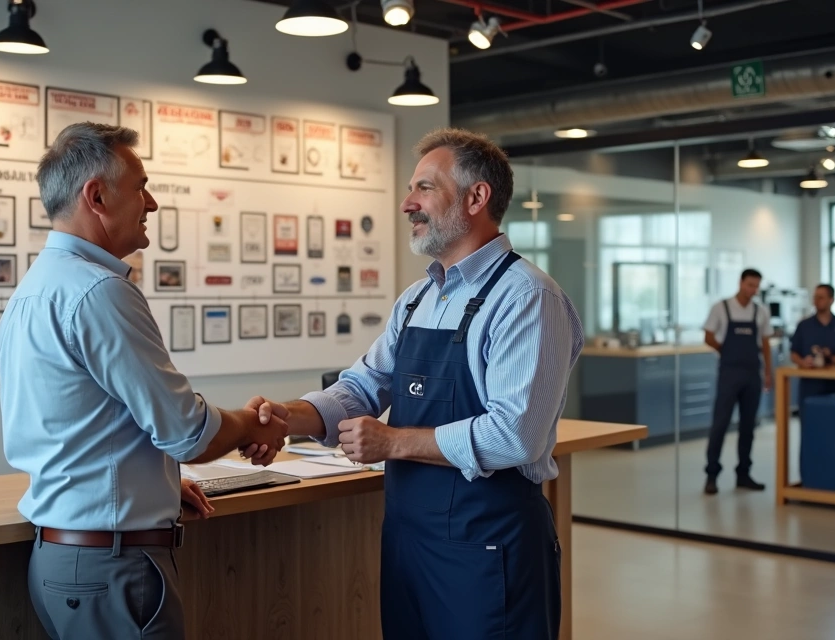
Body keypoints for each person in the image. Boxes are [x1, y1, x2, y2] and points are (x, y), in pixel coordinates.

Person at [244, 128, 584, 639]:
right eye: (411, 189)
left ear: (476, 197)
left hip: (488, 548)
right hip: (409, 543)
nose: (407, 204)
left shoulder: (526, 297)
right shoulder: (417, 299)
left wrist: (392, 442)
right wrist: (286, 417)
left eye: (424, 188)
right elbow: (362, 387)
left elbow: (516, 436)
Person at [0, 122, 288, 640]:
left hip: (71, 558)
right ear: (97, 196)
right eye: (141, 187)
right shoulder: (99, 291)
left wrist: (157, 484)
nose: (151, 203)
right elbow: (188, 433)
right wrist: (251, 424)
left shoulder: (37, 287)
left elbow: (80, 425)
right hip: (110, 568)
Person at [702, 268, 774, 495]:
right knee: (720, 424)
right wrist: (725, 351)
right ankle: (712, 474)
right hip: (729, 373)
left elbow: (765, 343)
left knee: (748, 426)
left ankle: (744, 473)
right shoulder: (721, 307)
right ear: (741, 283)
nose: (753, 290)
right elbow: (708, 336)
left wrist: (768, 372)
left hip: (752, 374)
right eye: (750, 285)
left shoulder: (760, 311)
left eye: (756, 286)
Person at [790, 284, 835, 401]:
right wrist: (803, 362)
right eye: (815, 297)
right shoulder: (804, 326)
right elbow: (794, 353)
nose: (816, 301)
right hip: (811, 387)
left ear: (831, 300)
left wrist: (829, 359)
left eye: (821, 298)